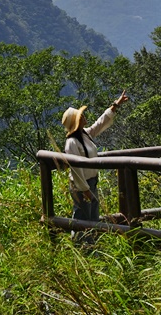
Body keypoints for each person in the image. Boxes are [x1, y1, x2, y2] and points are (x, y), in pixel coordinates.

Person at [61, 91, 129, 237]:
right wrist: (85, 189)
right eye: (81, 116)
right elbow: (76, 169)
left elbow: (100, 123)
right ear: (77, 121)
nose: (84, 117)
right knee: (82, 218)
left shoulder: (84, 134)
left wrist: (115, 105)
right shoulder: (72, 142)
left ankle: (90, 247)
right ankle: (81, 246)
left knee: (92, 217)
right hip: (82, 186)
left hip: (90, 183)